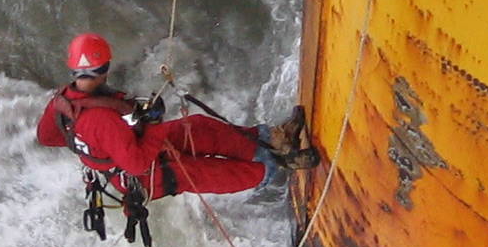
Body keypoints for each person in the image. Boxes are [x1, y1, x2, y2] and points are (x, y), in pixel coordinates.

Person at [36, 32, 317, 202]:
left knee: (195, 128)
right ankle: (274, 166)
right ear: (105, 66)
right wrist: (152, 127)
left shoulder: (62, 104)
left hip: (125, 150)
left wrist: (90, 146)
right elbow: (135, 164)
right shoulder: (100, 120)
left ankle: (271, 140)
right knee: (195, 170)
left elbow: (47, 137)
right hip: (138, 172)